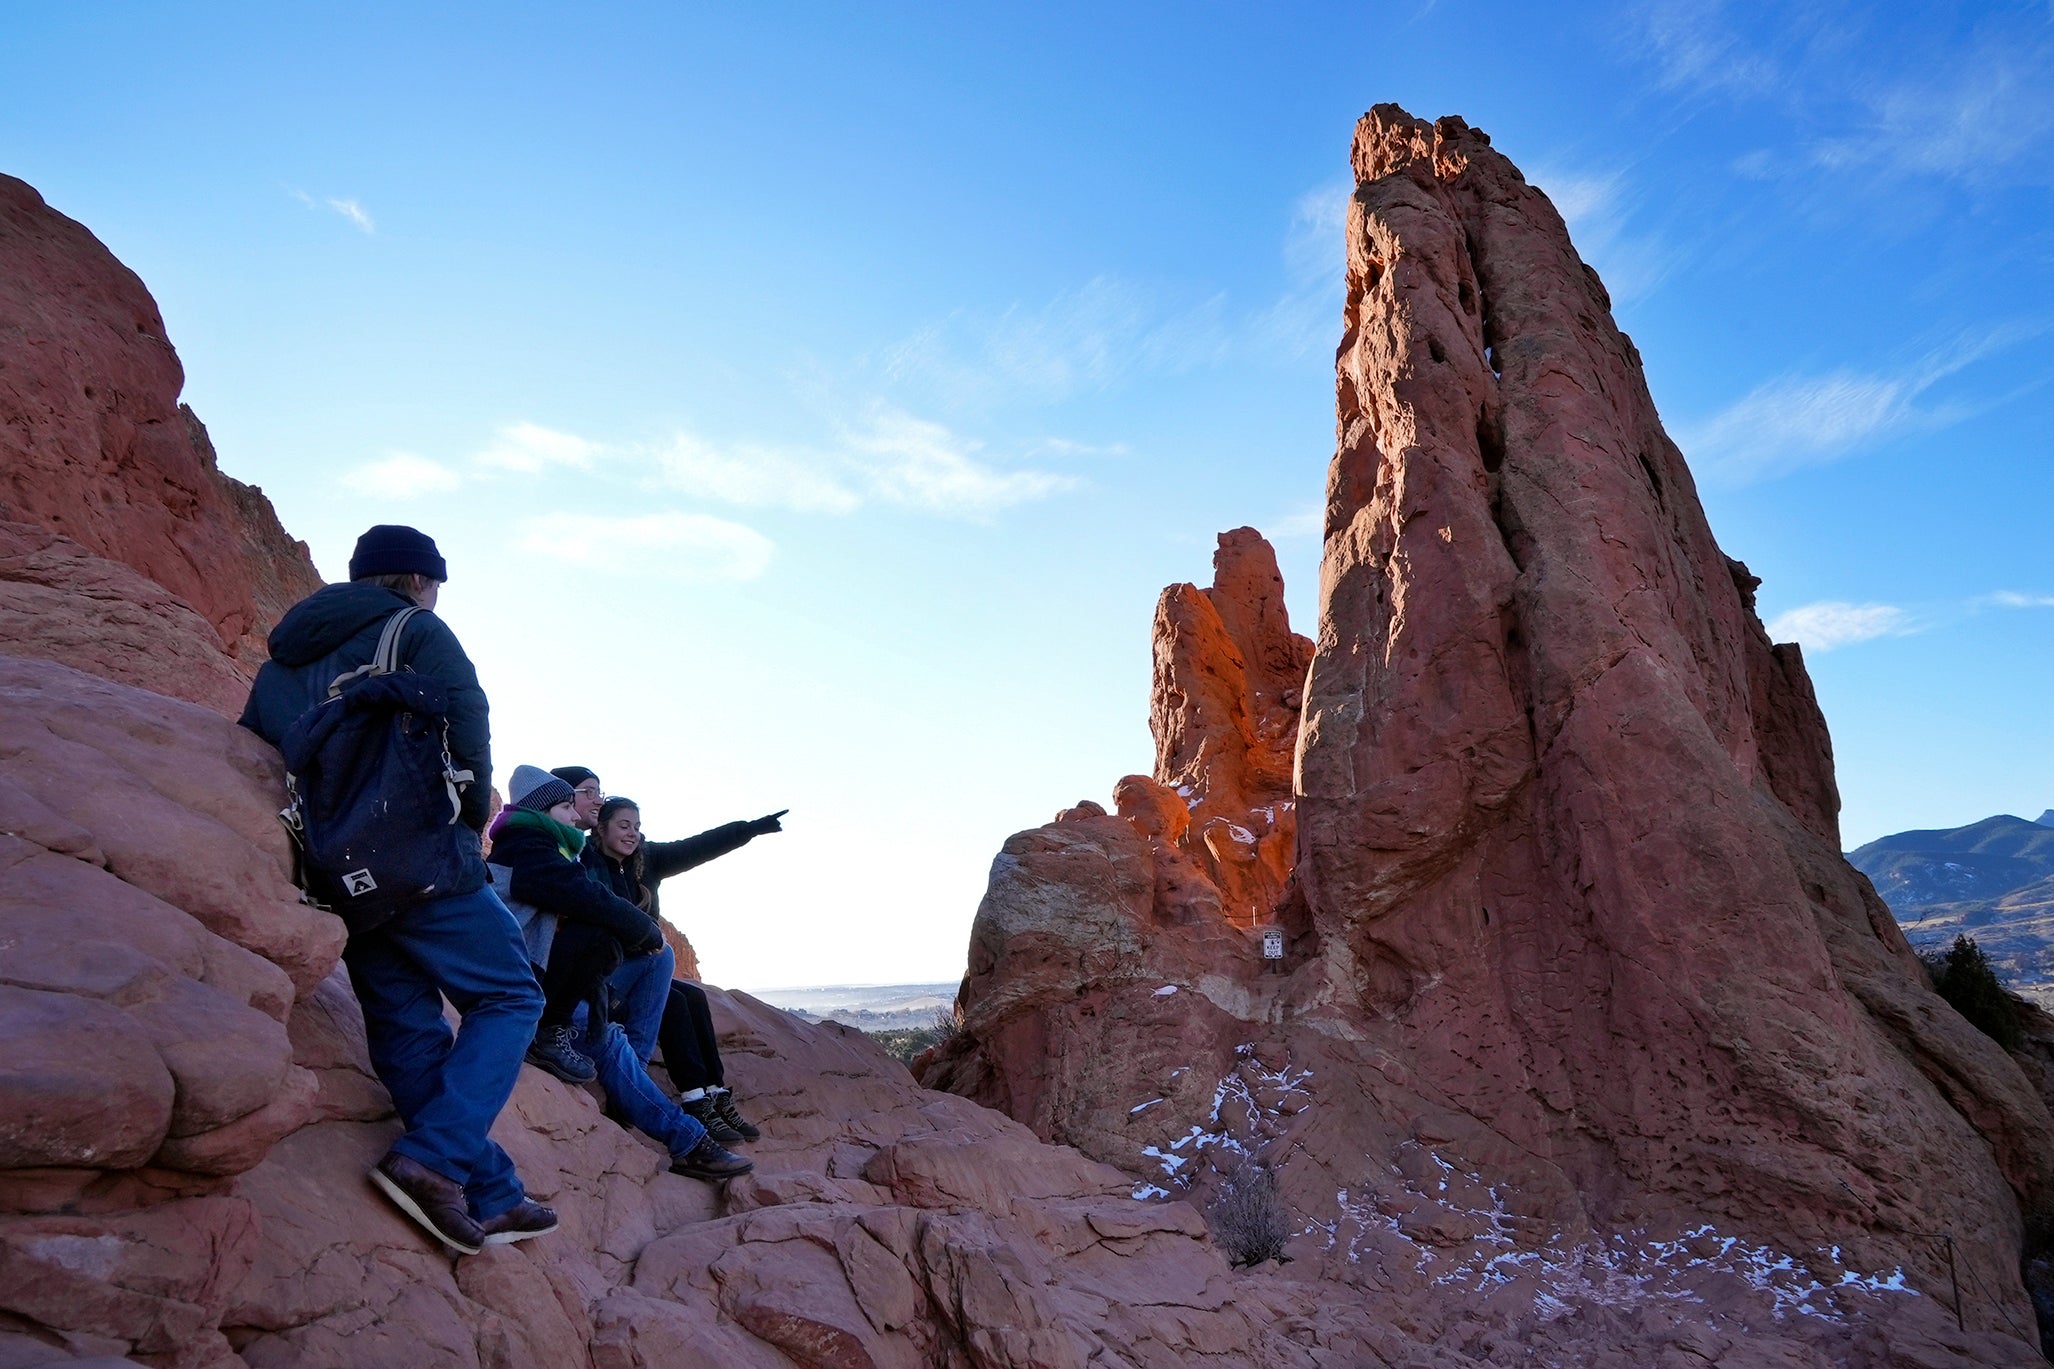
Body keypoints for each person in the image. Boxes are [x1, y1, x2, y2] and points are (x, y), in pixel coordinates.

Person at [239, 524, 553, 1256]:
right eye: (435, 582)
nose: (435, 594)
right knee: (510, 997)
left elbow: (261, 752)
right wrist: (467, 827)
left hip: (338, 870)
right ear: (417, 579)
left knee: (407, 1026)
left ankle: (492, 1192)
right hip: (420, 856)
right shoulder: (415, 630)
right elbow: (468, 726)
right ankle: (432, 1163)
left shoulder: (280, 662)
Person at [485, 766, 753, 1182]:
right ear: (543, 810)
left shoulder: (543, 847)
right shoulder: (531, 848)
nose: (575, 815)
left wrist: (746, 830)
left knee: (657, 962)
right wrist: (643, 927)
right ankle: (688, 1140)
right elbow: (584, 896)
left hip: (541, 979)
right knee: (607, 1035)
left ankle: (637, 1080)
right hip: (522, 987)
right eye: (566, 806)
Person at [587, 794, 781, 1144]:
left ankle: (714, 1092)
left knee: (693, 997)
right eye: (623, 826)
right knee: (673, 1003)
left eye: (637, 827)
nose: (632, 834)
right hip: (607, 972)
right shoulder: (588, 862)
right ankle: (690, 1098)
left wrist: (748, 830)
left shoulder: (646, 860)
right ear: (601, 828)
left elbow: (697, 847)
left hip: (642, 966)